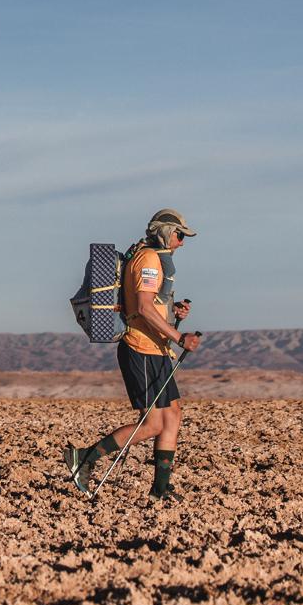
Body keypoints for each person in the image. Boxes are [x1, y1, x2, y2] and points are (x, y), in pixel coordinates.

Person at [63, 209, 201, 502]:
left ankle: (161, 489)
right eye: (179, 235)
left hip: (156, 350)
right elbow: (143, 306)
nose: (181, 242)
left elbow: (153, 304)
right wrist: (179, 337)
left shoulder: (153, 258)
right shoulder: (149, 259)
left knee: (173, 415)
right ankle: (85, 458)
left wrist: (174, 312)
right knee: (152, 423)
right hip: (142, 350)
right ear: (165, 232)